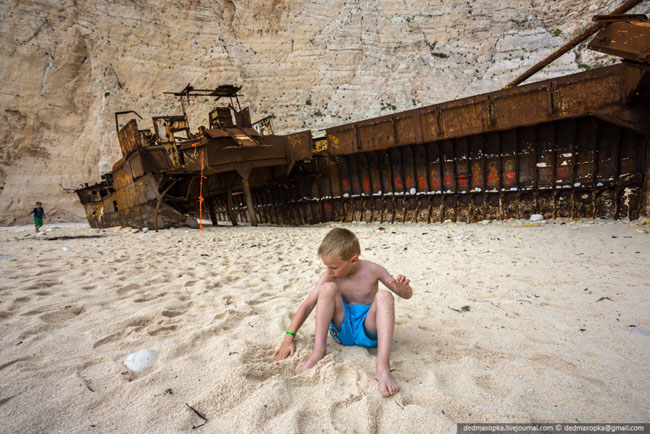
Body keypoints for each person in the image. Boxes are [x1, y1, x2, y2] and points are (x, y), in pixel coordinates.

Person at [273, 227, 413, 397]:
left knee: (384, 296)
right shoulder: (330, 276)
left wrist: (403, 288)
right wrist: (288, 338)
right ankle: (318, 352)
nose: (329, 271)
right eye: (326, 267)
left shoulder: (373, 270)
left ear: (353, 260)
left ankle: (382, 366)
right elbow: (308, 304)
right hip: (342, 331)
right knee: (327, 288)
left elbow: (405, 295)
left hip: (368, 330)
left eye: (333, 267)